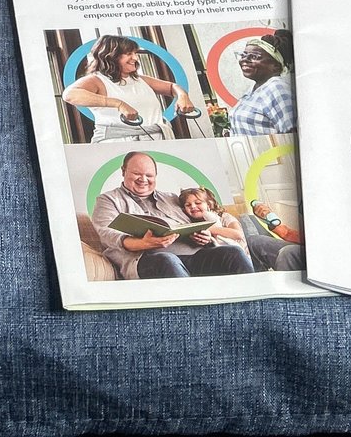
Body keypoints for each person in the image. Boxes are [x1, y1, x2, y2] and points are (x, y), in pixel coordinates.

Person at [88, 152, 253, 281]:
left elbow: (193, 223)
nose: (143, 179)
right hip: (149, 260)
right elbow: (107, 234)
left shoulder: (172, 198)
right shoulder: (108, 200)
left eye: (149, 175)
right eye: (137, 173)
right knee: (168, 260)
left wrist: (204, 236)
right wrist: (142, 243)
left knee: (233, 253)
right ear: (123, 171)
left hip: (196, 255)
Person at [62, 35, 198, 143]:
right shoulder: (97, 80)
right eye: (128, 54)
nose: (135, 58)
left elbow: (172, 87)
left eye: (135, 53)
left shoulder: (141, 80)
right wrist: (118, 104)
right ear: (111, 56)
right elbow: (69, 95)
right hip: (118, 144)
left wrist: (183, 96)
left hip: (158, 141)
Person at [178, 184, 304, 274]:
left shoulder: (224, 217)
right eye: (188, 205)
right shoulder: (190, 225)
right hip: (229, 263)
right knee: (255, 242)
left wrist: (210, 228)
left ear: (209, 204)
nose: (193, 206)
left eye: (198, 203)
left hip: (245, 254)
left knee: (257, 241)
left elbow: (238, 234)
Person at [228, 30, 296, 138]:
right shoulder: (253, 90)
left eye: (254, 57)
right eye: (243, 55)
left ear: (276, 66)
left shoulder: (277, 88)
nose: (245, 59)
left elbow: (293, 135)